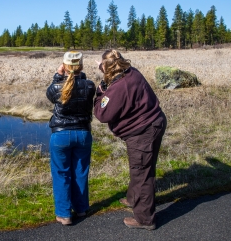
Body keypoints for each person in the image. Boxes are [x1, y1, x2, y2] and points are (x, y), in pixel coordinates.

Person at [93, 49, 167, 230]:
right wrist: (106, 76)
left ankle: (145, 219)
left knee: (142, 173)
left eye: (103, 65)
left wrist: (99, 94)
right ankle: (134, 198)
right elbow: (116, 81)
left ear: (107, 66)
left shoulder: (119, 87)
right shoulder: (131, 72)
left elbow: (102, 114)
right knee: (142, 168)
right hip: (154, 123)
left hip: (142, 132)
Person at [46, 51, 96, 225]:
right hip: (83, 133)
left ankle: (64, 214)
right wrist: (79, 75)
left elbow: (50, 94)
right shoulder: (90, 85)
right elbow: (84, 90)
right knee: (80, 172)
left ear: (64, 66)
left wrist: (57, 75)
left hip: (60, 135)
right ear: (81, 66)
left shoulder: (56, 87)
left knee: (61, 174)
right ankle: (81, 209)